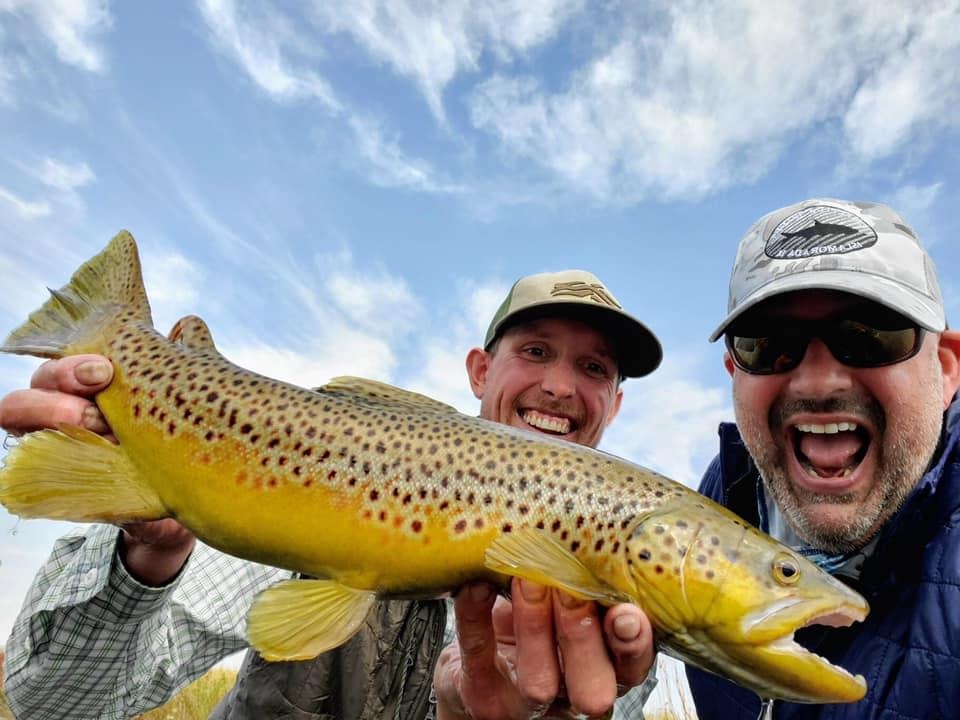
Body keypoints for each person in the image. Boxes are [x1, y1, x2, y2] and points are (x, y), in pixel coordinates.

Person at [0, 269, 662, 719]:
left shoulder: (621, 621)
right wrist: (148, 558)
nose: (559, 387)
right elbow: (52, 704)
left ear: (615, 404)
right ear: (480, 370)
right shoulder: (308, 485)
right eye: (538, 350)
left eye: (594, 367)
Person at [687, 198, 960, 719]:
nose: (818, 382)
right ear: (735, 376)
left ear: (946, 372)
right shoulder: (712, 514)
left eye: (871, 336)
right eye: (770, 345)